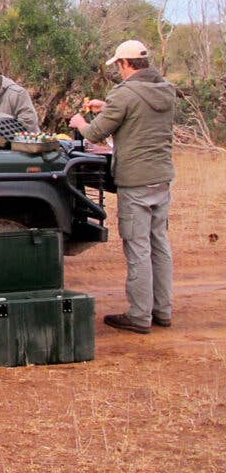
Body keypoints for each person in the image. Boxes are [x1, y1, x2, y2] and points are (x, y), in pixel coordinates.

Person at [69, 40, 176, 335]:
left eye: (118, 65)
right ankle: (162, 311)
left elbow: (94, 132)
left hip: (135, 179)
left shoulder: (124, 94)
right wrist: (107, 107)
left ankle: (139, 315)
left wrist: (80, 121)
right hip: (161, 176)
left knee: (137, 246)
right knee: (159, 243)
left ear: (124, 64)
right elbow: (140, 113)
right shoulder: (166, 90)